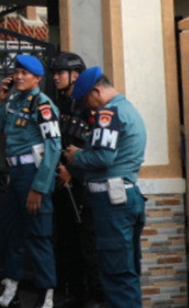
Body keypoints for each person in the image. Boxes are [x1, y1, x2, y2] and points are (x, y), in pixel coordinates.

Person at [63, 67, 146, 308]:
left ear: (97, 91)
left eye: (87, 100)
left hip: (112, 203)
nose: (89, 108)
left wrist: (76, 156)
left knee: (116, 273)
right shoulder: (128, 109)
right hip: (126, 197)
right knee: (127, 271)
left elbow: (102, 158)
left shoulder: (108, 113)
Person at [0, 54, 62, 308]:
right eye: (16, 71)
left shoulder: (43, 104)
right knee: (11, 233)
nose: (18, 76)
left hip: (33, 174)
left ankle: (46, 295)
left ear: (37, 78)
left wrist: (39, 188)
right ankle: (12, 288)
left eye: (24, 73)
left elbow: (53, 147)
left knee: (39, 235)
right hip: (14, 175)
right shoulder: (13, 100)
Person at [49, 53, 102, 308]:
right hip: (60, 184)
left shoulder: (89, 106)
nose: (56, 77)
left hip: (82, 188)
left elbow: (96, 149)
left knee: (87, 247)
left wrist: (74, 172)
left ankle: (92, 298)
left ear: (75, 75)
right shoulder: (59, 105)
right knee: (66, 241)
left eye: (61, 72)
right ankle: (73, 293)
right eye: (55, 72)